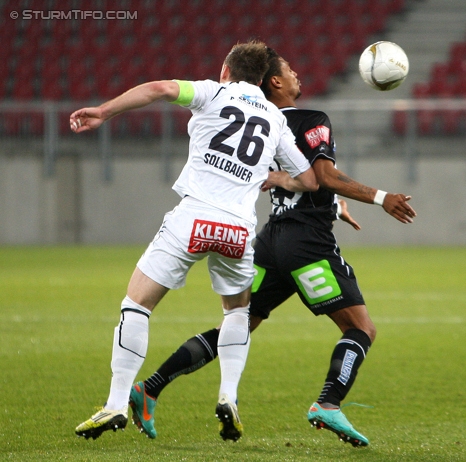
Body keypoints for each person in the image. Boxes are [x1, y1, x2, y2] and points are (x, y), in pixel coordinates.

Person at [126, 48, 417, 447]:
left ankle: (150, 388)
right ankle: (328, 404)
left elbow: (288, 180)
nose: (298, 75)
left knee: (239, 325)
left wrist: (333, 205)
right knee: (360, 328)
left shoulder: (261, 120)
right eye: (290, 71)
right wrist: (382, 197)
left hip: (270, 241)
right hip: (307, 245)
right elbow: (322, 176)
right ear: (275, 82)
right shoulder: (311, 120)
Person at [72, 40, 318, 442]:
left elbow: (159, 89)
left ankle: (116, 403)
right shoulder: (275, 118)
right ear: (261, 78)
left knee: (137, 304)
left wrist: (104, 111)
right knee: (238, 313)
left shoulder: (212, 91)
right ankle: (228, 397)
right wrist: (271, 178)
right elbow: (309, 180)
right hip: (238, 230)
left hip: (195, 217)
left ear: (226, 69)